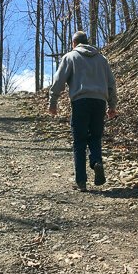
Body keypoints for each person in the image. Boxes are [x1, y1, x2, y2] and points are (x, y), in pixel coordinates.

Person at [48, 31, 117, 191]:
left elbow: (59, 81)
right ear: (87, 42)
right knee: (95, 136)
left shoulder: (70, 57)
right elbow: (111, 84)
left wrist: (53, 102)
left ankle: (81, 181)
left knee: (79, 141)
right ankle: (96, 162)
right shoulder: (102, 59)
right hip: (99, 102)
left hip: (80, 102)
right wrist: (112, 105)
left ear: (74, 43)